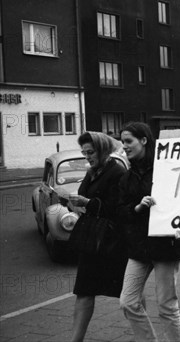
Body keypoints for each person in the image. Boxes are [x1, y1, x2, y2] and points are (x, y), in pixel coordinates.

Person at [118, 122, 180, 342]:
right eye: (122, 143)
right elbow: (121, 211)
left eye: (129, 141)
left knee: (166, 305)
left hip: (166, 245)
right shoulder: (126, 177)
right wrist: (137, 208)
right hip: (139, 247)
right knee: (128, 301)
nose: (125, 147)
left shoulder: (167, 169)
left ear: (144, 140)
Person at [69, 132, 128, 342]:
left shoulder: (117, 172)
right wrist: (75, 202)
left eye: (90, 152)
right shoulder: (92, 171)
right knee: (84, 292)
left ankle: (144, 335)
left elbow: (118, 208)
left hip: (112, 243)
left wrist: (88, 203)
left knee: (129, 296)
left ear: (102, 150)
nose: (87, 156)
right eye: (84, 152)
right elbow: (85, 194)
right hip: (92, 242)